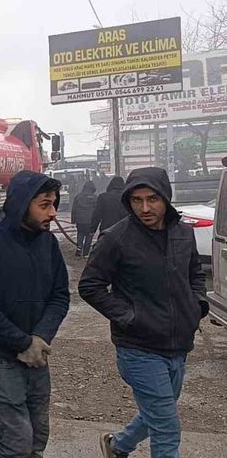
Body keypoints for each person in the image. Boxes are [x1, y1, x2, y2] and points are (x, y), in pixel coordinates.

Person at [79, 167, 209, 458]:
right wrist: (130, 318)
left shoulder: (183, 232)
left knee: (158, 412)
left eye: (152, 199)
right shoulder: (116, 238)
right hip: (138, 349)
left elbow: (195, 274)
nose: (145, 208)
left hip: (177, 345)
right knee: (167, 427)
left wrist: (196, 305)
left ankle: (118, 446)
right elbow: (90, 286)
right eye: (137, 200)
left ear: (166, 198)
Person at [0, 170, 70, 458]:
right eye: (44, 204)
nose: (53, 213)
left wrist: (39, 338)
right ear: (23, 203)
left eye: (54, 203)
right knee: (17, 442)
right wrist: (21, 343)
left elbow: (60, 296)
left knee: (38, 437)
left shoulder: (49, 244)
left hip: (36, 355)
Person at [71, 180, 97, 257]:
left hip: (80, 220)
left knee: (80, 233)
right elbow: (97, 210)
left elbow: (74, 209)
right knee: (89, 235)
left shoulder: (78, 196)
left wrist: (73, 220)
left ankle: (79, 248)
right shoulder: (95, 197)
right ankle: (86, 252)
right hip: (90, 220)